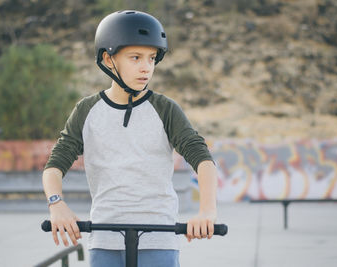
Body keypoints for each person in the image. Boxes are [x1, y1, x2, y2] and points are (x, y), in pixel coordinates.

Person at [42, 10, 218, 267]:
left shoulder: (165, 109)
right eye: (135, 57)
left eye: (151, 58)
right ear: (108, 59)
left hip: (159, 238)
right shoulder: (87, 111)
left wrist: (207, 212)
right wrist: (56, 204)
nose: (146, 67)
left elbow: (203, 160)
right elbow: (54, 166)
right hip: (104, 238)